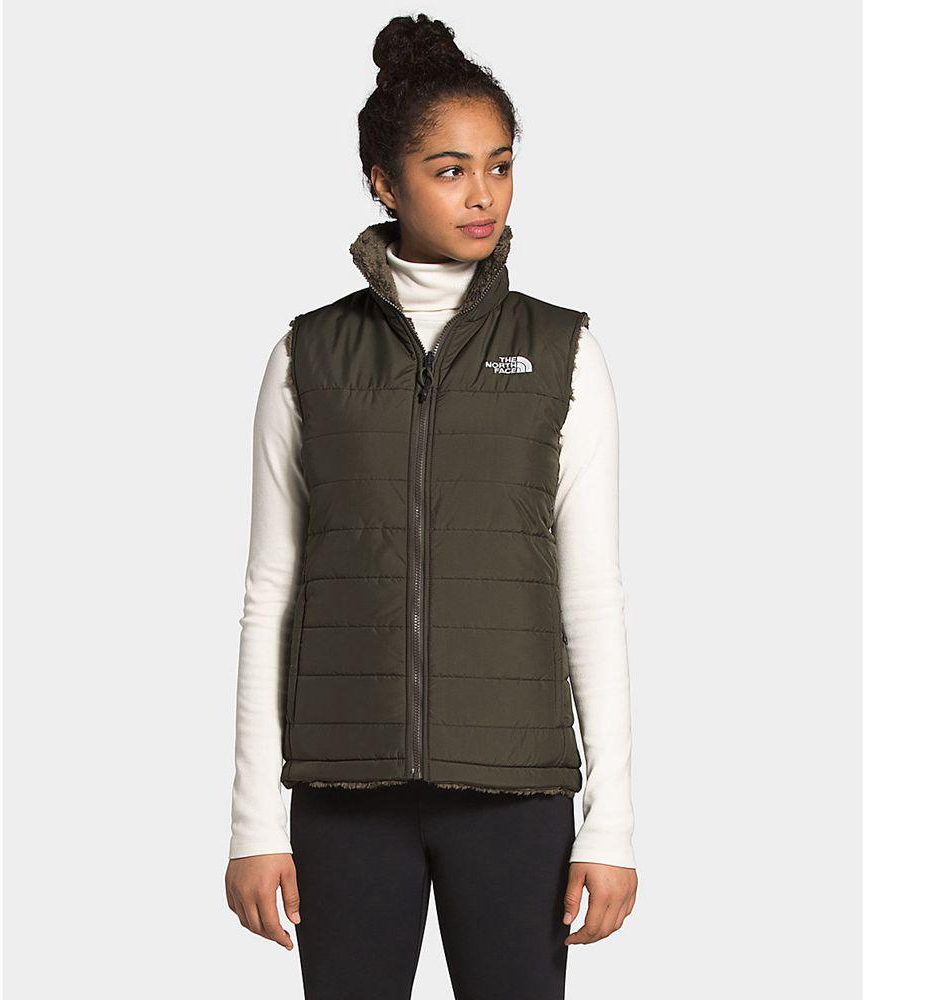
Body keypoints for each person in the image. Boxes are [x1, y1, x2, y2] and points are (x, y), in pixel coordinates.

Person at [225, 13, 638, 999]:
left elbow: (590, 593)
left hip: (516, 793)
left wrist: (611, 824)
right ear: (385, 180)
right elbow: (270, 592)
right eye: (450, 170)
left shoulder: (562, 351)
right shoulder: (308, 355)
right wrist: (253, 824)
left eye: (500, 165)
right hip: (343, 792)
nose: (482, 193)